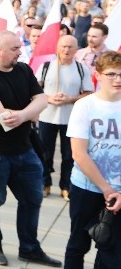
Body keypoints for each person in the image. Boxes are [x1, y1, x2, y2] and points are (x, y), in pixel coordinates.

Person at [0, 31, 61, 268]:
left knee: (33, 199)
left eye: (19, 47)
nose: (20, 52)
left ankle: (29, 248)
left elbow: (43, 100)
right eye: (14, 48)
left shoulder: (23, 70)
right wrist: (30, 113)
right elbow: (1, 119)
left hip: (25, 149)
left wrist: (22, 114)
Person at [61, 51, 121, 269]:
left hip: (118, 192)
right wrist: (106, 188)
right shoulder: (86, 106)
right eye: (111, 74)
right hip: (88, 188)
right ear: (98, 75)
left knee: (113, 250)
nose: (117, 79)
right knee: (78, 244)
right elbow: (79, 154)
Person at [37, 35, 94, 199]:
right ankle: (45, 183)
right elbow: (35, 89)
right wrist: (48, 98)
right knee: (44, 153)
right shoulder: (46, 66)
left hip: (71, 119)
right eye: (63, 46)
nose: (66, 50)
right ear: (57, 48)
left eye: (70, 47)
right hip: (47, 117)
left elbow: (88, 93)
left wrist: (70, 99)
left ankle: (66, 186)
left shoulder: (81, 69)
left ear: (76, 49)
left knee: (69, 155)